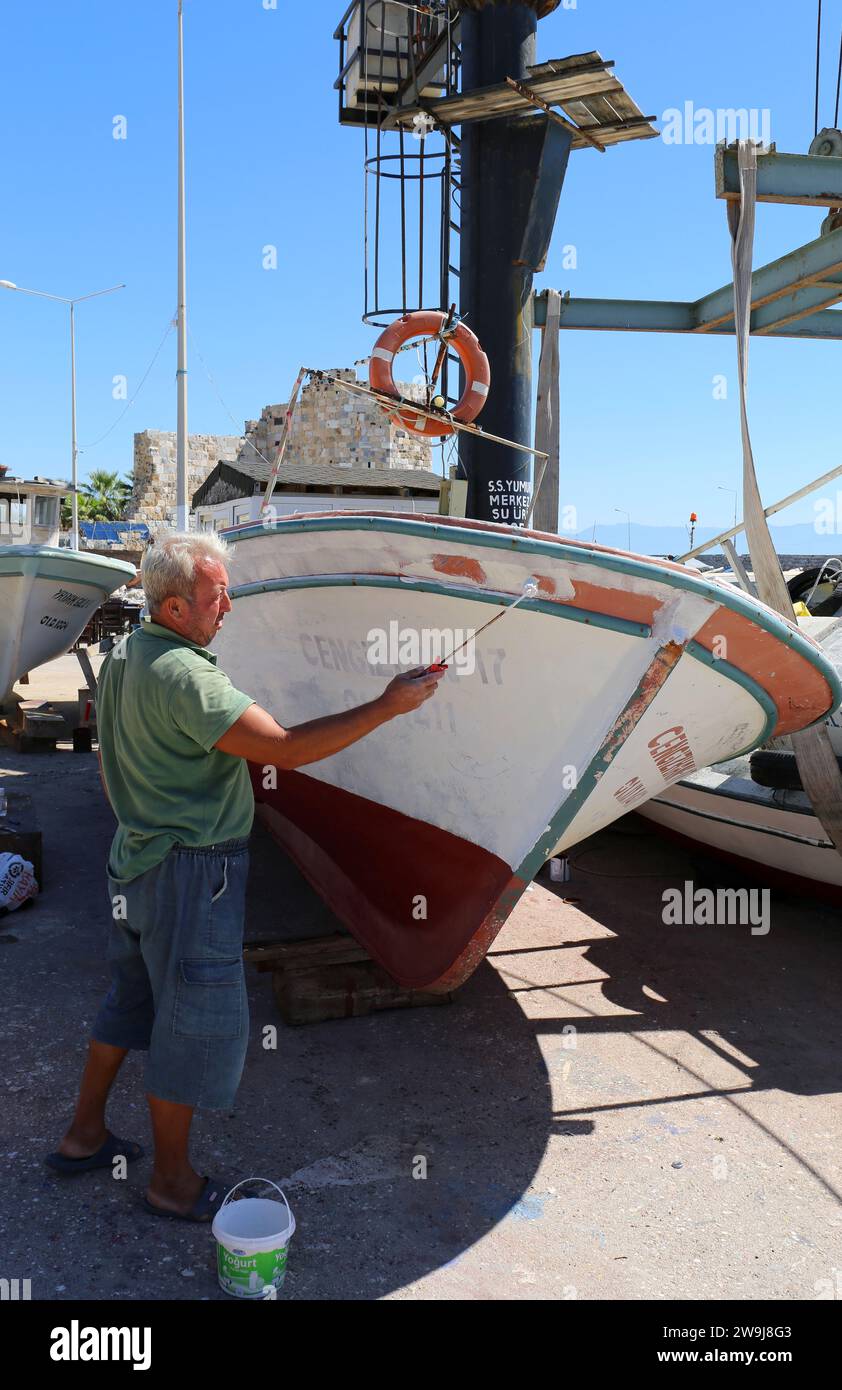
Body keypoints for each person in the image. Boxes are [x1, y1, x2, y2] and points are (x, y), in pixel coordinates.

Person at [45, 531, 444, 1221]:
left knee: (130, 1001)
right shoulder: (188, 677)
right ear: (173, 607)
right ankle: (172, 1181)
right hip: (192, 875)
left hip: (134, 864)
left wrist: (143, 817)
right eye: (214, 596)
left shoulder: (126, 655)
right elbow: (286, 749)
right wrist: (388, 704)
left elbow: (110, 767)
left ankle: (83, 1135)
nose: (228, 606)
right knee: (190, 1026)